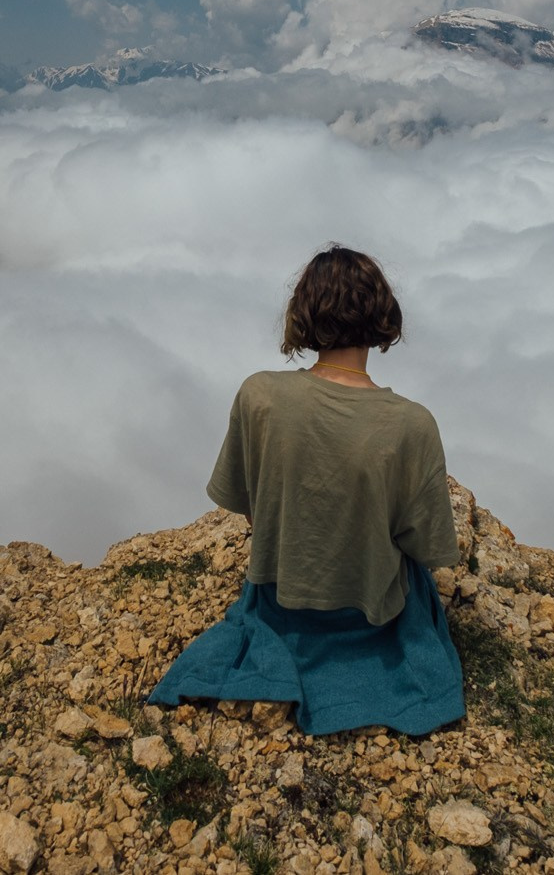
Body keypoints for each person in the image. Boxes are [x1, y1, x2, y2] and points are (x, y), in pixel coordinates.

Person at [147, 245, 466, 736]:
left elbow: (249, 507)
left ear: (303, 315)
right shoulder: (411, 425)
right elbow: (429, 548)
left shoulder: (259, 395)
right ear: (383, 314)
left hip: (279, 604)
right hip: (368, 619)